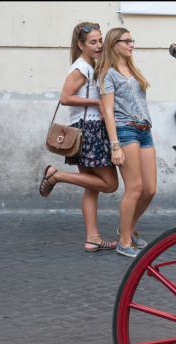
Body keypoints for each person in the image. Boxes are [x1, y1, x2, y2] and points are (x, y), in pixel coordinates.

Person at [39, 22, 119, 253]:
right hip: (89, 129)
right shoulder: (81, 67)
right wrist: (96, 102)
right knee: (110, 184)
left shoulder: (91, 64)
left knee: (91, 188)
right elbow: (65, 97)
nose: (98, 45)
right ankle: (57, 176)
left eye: (100, 40)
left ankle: (92, 238)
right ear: (81, 45)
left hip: (88, 129)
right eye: (93, 42)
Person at [96, 28, 157, 258]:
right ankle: (123, 242)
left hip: (144, 130)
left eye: (133, 40)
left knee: (150, 189)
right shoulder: (107, 74)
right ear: (114, 45)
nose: (132, 44)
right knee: (135, 187)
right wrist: (115, 145)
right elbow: (108, 112)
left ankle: (127, 228)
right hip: (125, 131)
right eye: (127, 41)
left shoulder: (132, 69)